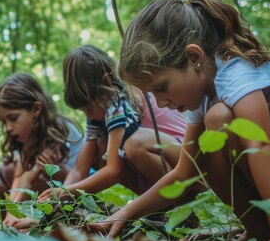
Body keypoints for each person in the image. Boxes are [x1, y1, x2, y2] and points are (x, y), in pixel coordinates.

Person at [90, 0, 270, 241]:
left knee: (220, 119)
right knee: (207, 139)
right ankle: (257, 231)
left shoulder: (235, 72)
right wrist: (125, 213)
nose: (161, 103)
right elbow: (184, 172)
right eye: (153, 94)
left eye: (162, 88)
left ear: (194, 58)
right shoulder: (205, 95)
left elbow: (259, 145)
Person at [38, 45, 187, 203]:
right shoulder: (99, 111)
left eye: (89, 108)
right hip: (165, 167)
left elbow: (113, 171)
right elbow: (79, 169)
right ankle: (157, 203)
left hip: (185, 160)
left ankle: (171, 203)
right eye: (83, 111)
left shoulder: (117, 104)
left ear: (107, 82)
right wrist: (57, 197)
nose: (88, 115)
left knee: (132, 145)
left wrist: (67, 191)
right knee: (101, 148)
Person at [0, 73, 84, 229]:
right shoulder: (26, 133)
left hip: (77, 188)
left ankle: (49, 222)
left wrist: (14, 210)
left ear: (35, 109)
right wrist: (11, 212)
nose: (8, 127)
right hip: (49, 189)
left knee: (45, 170)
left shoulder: (56, 130)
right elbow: (20, 174)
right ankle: (11, 224)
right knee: (0, 175)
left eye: (13, 118)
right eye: (4, 120)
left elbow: (29, 176)